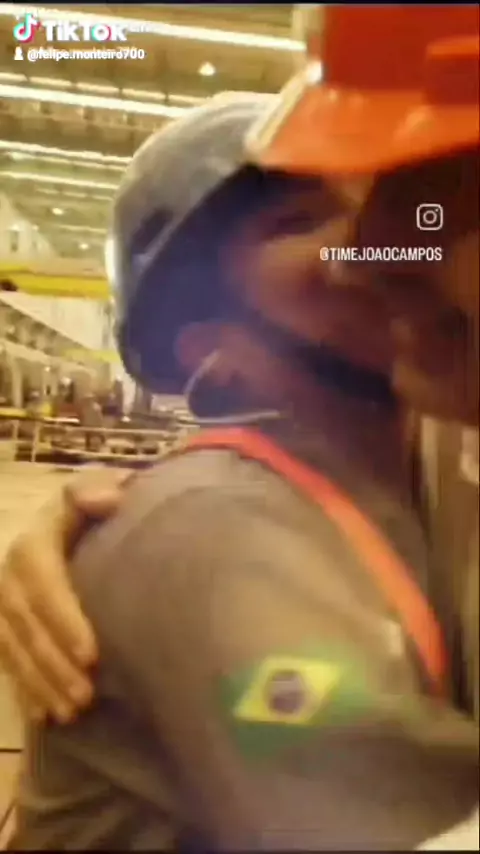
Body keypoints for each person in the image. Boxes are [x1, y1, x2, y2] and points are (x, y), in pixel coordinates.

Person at [0, 4, 478, 848]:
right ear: (212, 350)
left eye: (354, 200)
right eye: (297, 224)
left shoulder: (430, 465)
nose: (370, 245)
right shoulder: (212, 527)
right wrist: (161, 530)